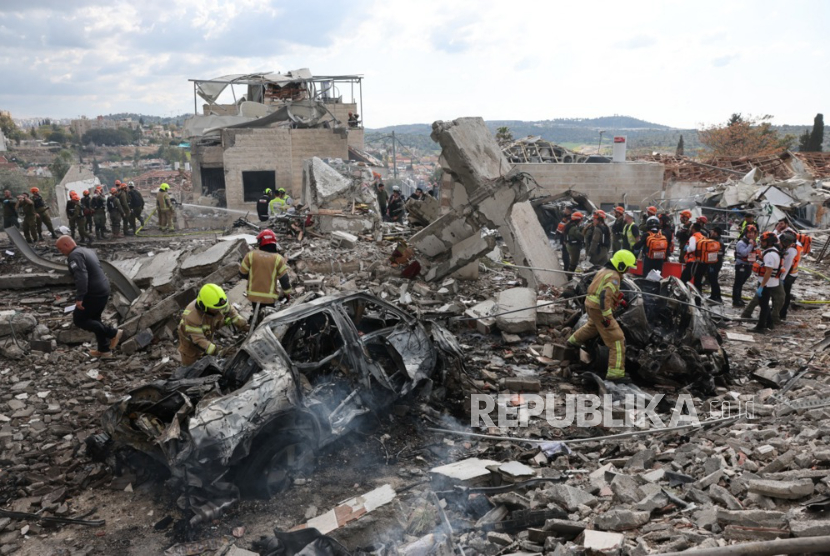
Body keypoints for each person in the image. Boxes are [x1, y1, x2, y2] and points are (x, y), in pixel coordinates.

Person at [567, 250, 637, 381]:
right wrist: (607, 317)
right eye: (627, 267)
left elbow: (602, 290)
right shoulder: (614, 276)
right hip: (600, 309)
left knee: (592, 326)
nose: (627, 270)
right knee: (617, 339)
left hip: (591, 305)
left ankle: (572, 342)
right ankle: (615, 373)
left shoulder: (604, 270)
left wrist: (621, 300)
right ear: (621, 265)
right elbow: (605, 296)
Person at [55, 235, 122, 358]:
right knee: (95, 319)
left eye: (60, 249)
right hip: (103, 289)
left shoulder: (74, 256)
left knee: (80, 319)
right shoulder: (87, 251)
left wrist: (80, 298)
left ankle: (113, 333)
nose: (61, 252)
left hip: (93, 292)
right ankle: (104, 350)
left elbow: (82, 277)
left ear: (66, 245)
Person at [177, 284, 249, 366]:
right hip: (191, 345)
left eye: (221, 308)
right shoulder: (192, 317)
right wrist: (219, 351)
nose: (219, 310)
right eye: (215, 309)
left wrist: (243, 325)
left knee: (209, 355)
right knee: (191, 368)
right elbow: (199, 340)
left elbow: (231, 311)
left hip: (207, 334)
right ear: (203, 306)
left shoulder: (218, 303)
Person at [239, 229, 292, 313]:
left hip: (253, 296)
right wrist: (287, 293)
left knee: (256, 315)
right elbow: (284, 279)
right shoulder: (278, 258)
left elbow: (242, 273)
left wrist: (254, 276)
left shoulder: (251, 255)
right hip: (269, 298)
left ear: (262, 241)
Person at [748, 231, 784, 333]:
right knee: (764, 303)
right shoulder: (774, 251)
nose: (761, 243)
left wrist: (762, 286)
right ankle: (769, 323)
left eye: (763, 241)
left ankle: (760, 327)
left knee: (763, 305)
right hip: (771, 282)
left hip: (767, 283)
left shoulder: (770, 254)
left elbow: (768, 271)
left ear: (768, 242)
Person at [732, 224, 757, 308]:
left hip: (748, 265)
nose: (751, 234)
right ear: (746, 233)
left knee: (741, 283)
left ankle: (739, 298)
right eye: (749, 232)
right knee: (738, 283)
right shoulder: (741, 242)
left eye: (752, 233)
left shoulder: (754, 242)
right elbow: (744, 253)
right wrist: (750, 245)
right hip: (741, 265)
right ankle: (735, 300)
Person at [779, 233, 800, 321]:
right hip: (791, 274)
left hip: (789, 276)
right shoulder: (794, 247)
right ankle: (781, 312)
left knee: (784, 295)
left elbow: (787, 266)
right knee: (785, 294)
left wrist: (781, 278)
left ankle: (782, 313)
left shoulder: (790, 251)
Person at [704, 226, 725, 303]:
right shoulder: (714, 240)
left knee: (714, 280)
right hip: (712, 262)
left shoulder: (719, 242)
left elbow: (719, 254)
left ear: (715, 233)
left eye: (712, 232)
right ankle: (713, 296)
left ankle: (718, 297)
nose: (710, 233)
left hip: (715, 263)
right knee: (711, 279)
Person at [556, 205, 574, 270]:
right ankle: (566, 268)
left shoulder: (569, 219)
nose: (564, 210)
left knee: (566, 255)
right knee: (564, 255)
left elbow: (566, 229)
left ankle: (566, 269)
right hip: (563, 238)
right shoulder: (565, 218)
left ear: (568, 210)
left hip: (566, 239)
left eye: (565, 209)